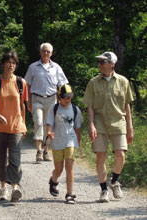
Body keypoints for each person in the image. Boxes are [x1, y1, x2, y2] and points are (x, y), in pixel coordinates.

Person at [83, 51, 134, 203]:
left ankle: (114, 181)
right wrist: (91, 124)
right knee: (101, 156)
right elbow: (90, 106)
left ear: (112, 64)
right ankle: (104, 190)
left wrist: (130, 127)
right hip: (99, 122)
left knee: (121, 154)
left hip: (118, 121)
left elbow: (127, 105)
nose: (99, 64)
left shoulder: (123, 81)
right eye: (99, 62)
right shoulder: (93, 82)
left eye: (102, 62)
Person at [0, 51, 28, 202]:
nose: (11, 65)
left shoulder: (21, 83)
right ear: (3, 64)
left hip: (16, 126)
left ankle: (15, 188)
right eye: (9, 62)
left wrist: (24, 125)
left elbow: (22, 105)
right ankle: (3, 189)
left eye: (14, 63)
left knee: (15, 159)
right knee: (0, 159)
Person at [24, 42, 68, 162]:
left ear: (51, 53)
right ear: (40, 52)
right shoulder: (33, 67)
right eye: (44, 51)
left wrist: (63, 98)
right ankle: (38, 151)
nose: (46, 53)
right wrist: (28, 102)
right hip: (37, 99)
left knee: (49, 126)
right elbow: (27, 85)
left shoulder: (56, 68)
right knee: (38, 122)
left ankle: (46, 150)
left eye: (48, 51)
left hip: (52, 99)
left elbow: (63, 84)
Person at [46, 84, 82, 204]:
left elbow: (77, 127)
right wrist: (49, 132)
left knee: (69, 166)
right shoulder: (54, 108)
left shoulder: (76, 110)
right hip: (57, 141)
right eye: (65, 97)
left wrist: (78, 140)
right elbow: (49, 123)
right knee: (59, 169)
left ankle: (69, 194)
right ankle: (53, 180)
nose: (67, 99)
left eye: (69, 97)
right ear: (59, 97)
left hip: (70, 140)